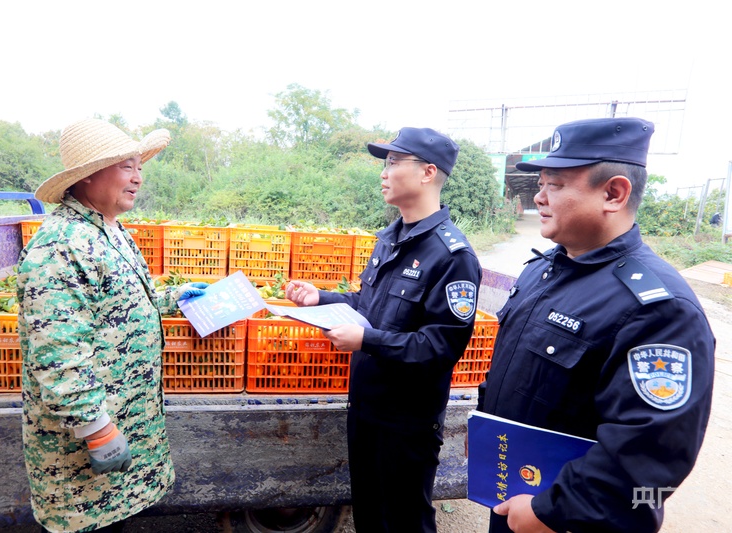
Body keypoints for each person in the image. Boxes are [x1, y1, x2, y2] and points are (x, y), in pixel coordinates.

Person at [478, 117, 715, 532]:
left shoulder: (659, 309)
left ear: (613, 193)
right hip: (514, 493)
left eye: (555, 185)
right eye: (540, 184)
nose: (539, 197)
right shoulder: (542, 271)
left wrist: (552, 511)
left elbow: (654, 463)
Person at [286, 127, 483, 532]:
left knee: (404, 521)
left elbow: (440, 346)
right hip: (366, 408)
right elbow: (368, 305)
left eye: (394, 162)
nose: (384, 172)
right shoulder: (390, 239)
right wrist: (320, 298)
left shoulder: (452, 256)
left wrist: (366, 340)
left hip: (406, 421)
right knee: (371, 517)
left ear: (428, 172)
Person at [17, 118, 207, 533]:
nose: (138, 178)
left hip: (124, 419)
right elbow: (58, 354)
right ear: (87, 176)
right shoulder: (62, 244)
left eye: (139, 167)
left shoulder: (109, 230)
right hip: (85, 446)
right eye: (126, 167)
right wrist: (96, 429)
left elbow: (113, 304)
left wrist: (174, 297)